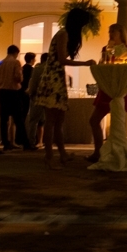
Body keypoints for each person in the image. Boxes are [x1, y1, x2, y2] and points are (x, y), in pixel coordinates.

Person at [32, 10, 97, 168]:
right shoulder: (63, 34)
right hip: (53, 79)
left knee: (58, 120)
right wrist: (84, 64)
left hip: (56, 78)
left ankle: (62, 154)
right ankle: (49, 157)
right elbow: (61, 59)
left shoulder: (64, 34)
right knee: (51, 121)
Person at [87, 24, 127, 163]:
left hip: (119, 87)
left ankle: (116, 152)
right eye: (109, 31)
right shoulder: (105, 48)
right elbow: (102, 64)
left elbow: (123, 64)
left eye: (113, 31)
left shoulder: (126, 49)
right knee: (94, 120)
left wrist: (112, 50)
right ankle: (98, 151)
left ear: (121, 33)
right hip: (106, 87)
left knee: (117, 122)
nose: (111, 33)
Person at [0, 45, 32, 151]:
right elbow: (18, 77)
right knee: (19, 119)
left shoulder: (0, 63)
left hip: (2, 92)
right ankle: (26, 143)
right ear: (15, 53)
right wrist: (21, 79)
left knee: (4, 119)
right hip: (14, 92)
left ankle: (5, 143)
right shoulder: (16, 63)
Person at [25, 53, 48, 147]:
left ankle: (32, 141)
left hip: (37, 97)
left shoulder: (37, 69)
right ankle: (44, 142)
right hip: (49, 98)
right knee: (46, 121)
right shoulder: (52, 69)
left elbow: (33, 83)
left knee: (34, 120)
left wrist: (31, 93)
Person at [20, 52, 36, 141]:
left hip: (21, 93)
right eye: (34, 59)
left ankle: (19, 137)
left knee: (22, 115)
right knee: (28, 115)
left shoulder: (22, 68)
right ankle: (26, 138)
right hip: (28, 94)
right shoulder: (32, 70)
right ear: (31, 60)